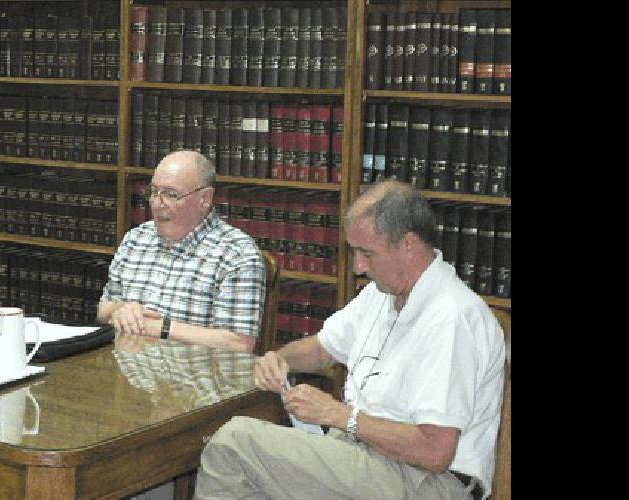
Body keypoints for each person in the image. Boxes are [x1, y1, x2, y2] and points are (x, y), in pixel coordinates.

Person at [195, 180, 506, 499]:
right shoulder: (380, 294)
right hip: (367, 455)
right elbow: (320, 348)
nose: (357, 267)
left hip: (426, 481)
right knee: (252, 469)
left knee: (232, 444)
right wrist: (280, 359)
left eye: (367, 253)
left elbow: (435, 451)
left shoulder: (450, 317)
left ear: (408, 245)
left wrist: (338, 415)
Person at [97, 150, 266, 353]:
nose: (158, 204)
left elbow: (238, 343)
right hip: (127, 375)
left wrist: (160, 328)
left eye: (171, 194)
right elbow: (102, 311)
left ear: (205, 198)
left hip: (197, 379)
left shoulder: (237, 254)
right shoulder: (135, 239)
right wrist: (120, 311)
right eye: (154, 192)